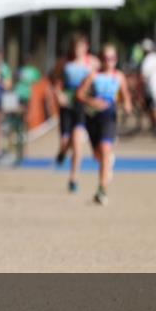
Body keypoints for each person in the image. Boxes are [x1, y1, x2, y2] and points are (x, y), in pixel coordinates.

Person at [77, 44, 133, 205]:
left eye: (113, 58)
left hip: (109, 117)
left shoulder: (119, 77)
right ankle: (107, 163)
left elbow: (126, 96)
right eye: (106, 58)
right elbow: (80, 94)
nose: (110, 62)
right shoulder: (94, 76)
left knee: (105, 149)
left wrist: (127, 105)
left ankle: (102, 190)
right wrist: (91, 101)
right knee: (98, 155)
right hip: (93, 118)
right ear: (101, 59)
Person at [52, 34, 98, 193]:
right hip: (67, 105)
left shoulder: (92, 63)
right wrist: (59, 95)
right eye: (75, 47)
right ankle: (62, 152)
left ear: (86, 47)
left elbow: (100, 80)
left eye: (81, 47)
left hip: (82, 105)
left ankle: (73, 178)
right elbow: (56, 82)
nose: (78, 50)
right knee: (66, 142)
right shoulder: (64, 63)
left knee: (78, 143)